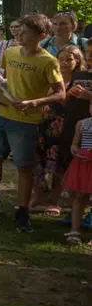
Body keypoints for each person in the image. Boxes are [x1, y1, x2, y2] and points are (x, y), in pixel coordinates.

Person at [0, 13, 65, 233]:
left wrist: (34, 102)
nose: (20, 34)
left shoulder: (49, 61)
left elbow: (61, 94)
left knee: (24, 167)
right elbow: (5, 78)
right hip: (3, 114)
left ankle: (22, 212)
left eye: (26, 31)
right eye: (19, 29)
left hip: (26, 121)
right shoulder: (10, 53)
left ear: (41, 36)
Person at [30, 45, 87, 215]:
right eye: (61, 58)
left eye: (69, 59)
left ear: (77, 61)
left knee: (59, 165)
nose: (64, 62)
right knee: (37, 161)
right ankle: (39, 196)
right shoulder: (51, 77)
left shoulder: (80, 80)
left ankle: (54, 201)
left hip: (65, 127)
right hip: (43, 124)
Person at [64, 100, 92, 244]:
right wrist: (75, 151)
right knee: (80, 197)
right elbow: (75, 144)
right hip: (83, 164)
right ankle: (75, 230)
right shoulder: (82, 124)